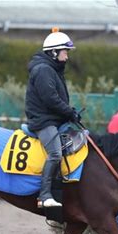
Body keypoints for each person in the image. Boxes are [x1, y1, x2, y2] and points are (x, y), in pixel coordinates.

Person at [25, 28, 79, 208]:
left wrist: (69, 114)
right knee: (55, 152)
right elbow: (50, 99)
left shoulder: (53, 69)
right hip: (43, 121)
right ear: (54, 52)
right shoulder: (43, 70)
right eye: (65, 52)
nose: (67, 56)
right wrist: (69, 112)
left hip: (54, 119)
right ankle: (44, 195)